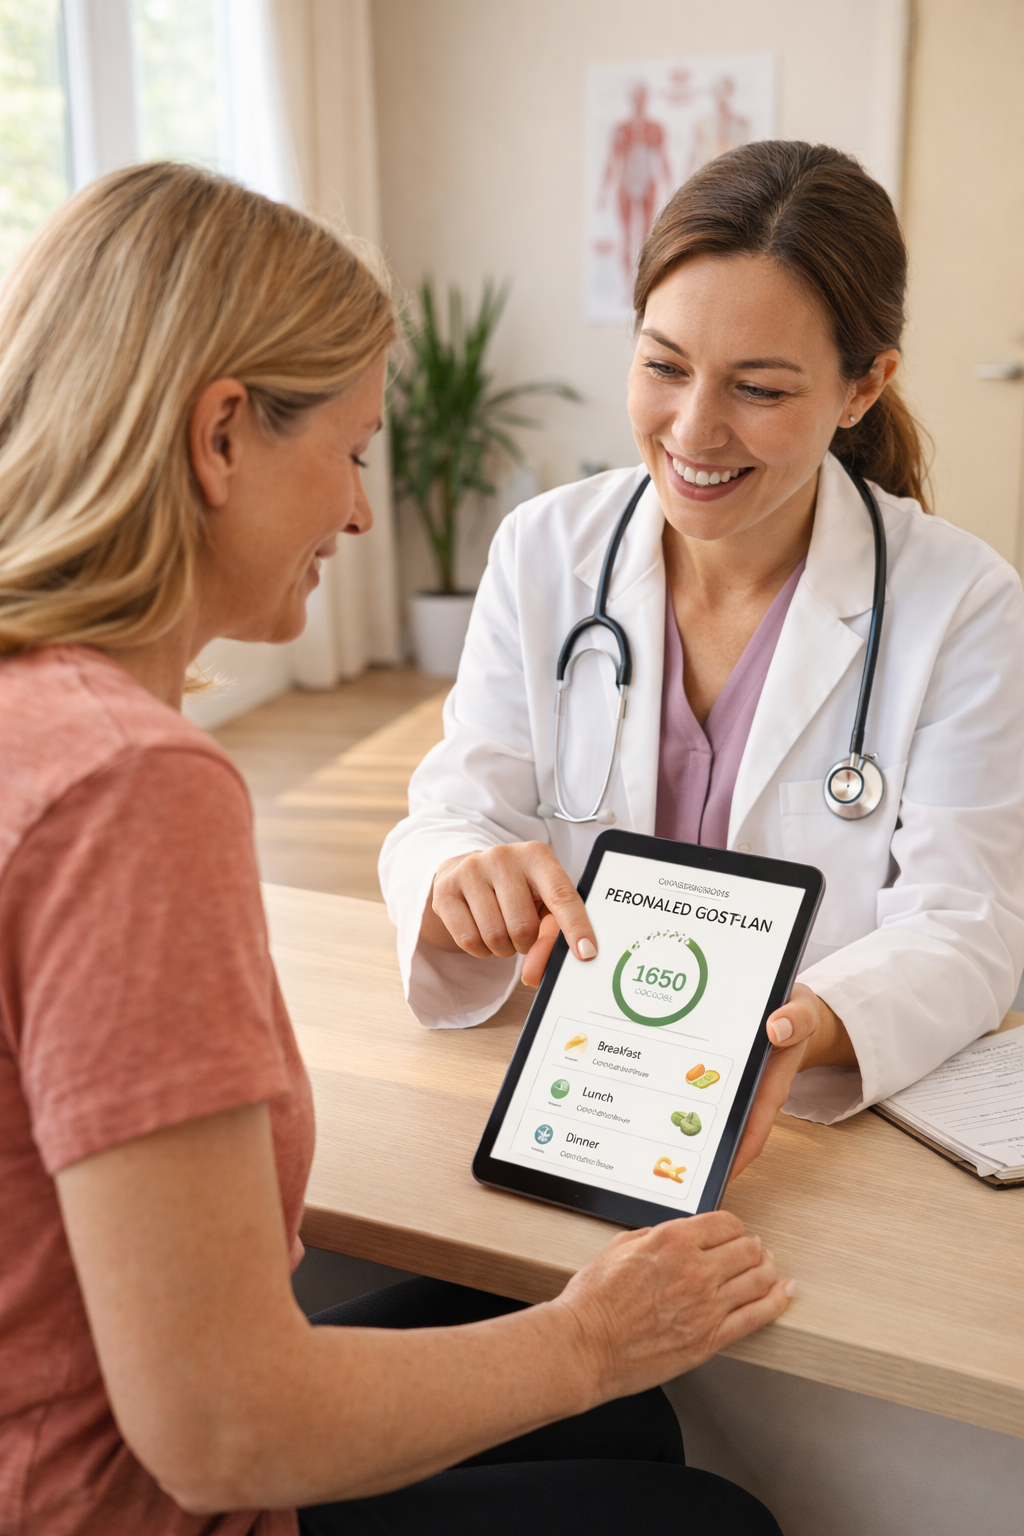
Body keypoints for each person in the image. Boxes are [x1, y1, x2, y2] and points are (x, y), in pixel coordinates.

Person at [0, 163, 790, 1536]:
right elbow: (227, 1434)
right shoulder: (126, 787)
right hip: (110, 1505)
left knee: (626, 1416)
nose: (364, 514)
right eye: (354, 452)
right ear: (222, 437)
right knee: (707, 1511)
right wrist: (592, 1334)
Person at [380, 141, 1024, 1173]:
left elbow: (967, 924)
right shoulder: (546, 550)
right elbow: (452, 813)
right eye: (662, 365)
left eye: (758, 389)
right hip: (571, 1082)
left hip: (803, 1124)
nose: (692, 428)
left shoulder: (962, 604)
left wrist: (809, 1023)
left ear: (862, 388)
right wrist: (462, 875)